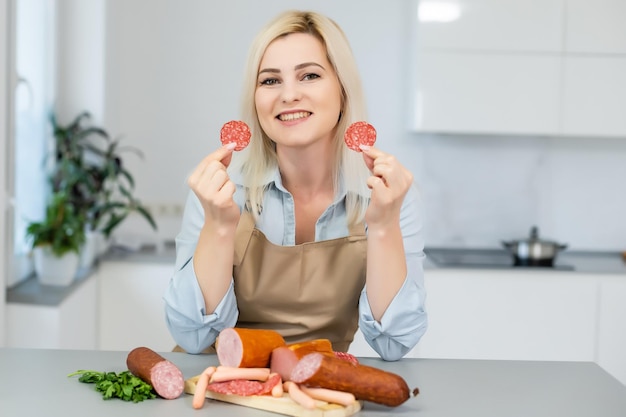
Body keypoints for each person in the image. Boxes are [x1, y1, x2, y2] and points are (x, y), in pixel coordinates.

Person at [163, 10, 427, 361]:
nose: (288, 95)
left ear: (343, 90)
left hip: (315, 393)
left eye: (309, 75)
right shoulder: (223, 191)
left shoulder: (385, 197)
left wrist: (382, 228)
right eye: (270, 81)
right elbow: (193, 338)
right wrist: (218, 227)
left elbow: (393, 343)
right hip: (215, 386)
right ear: (255, 100)